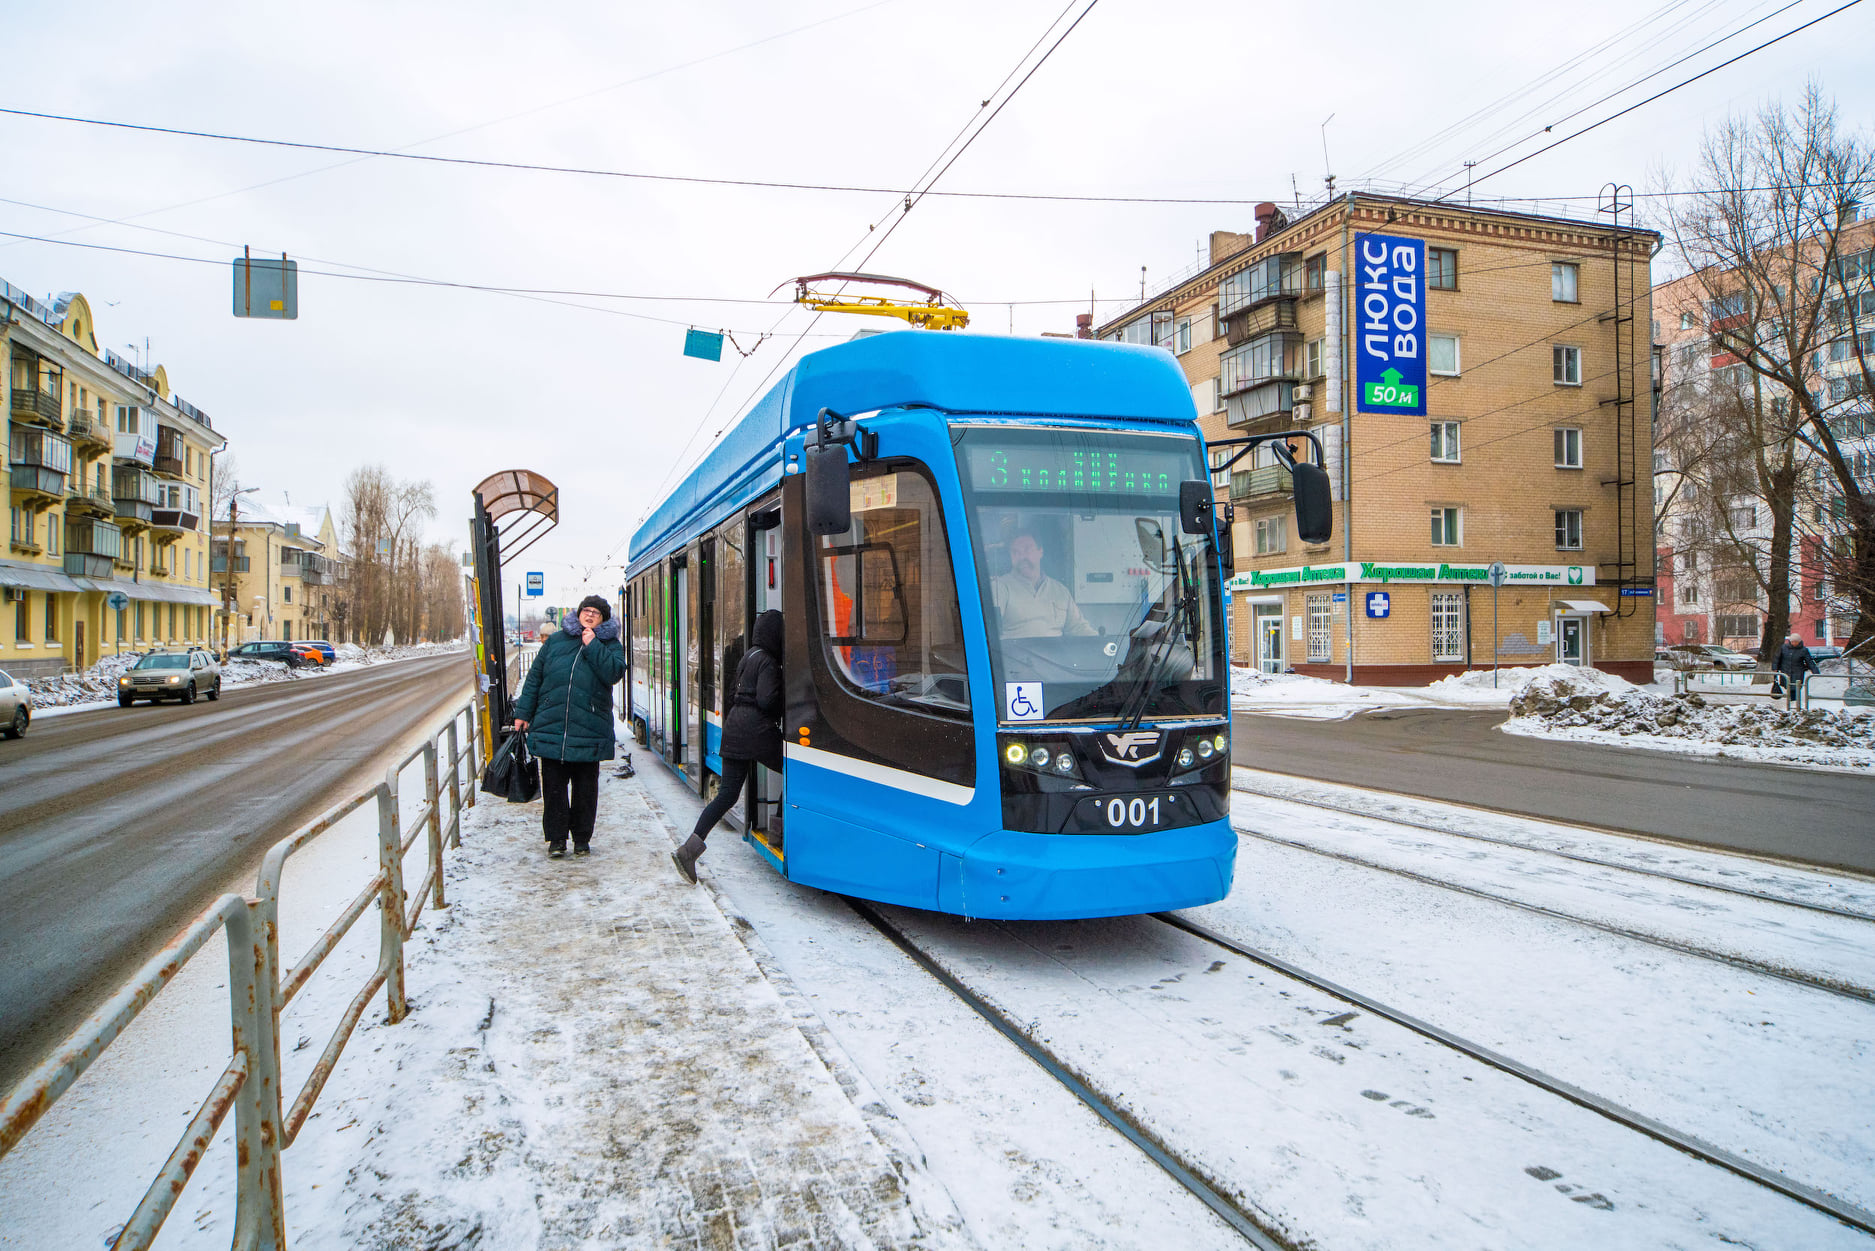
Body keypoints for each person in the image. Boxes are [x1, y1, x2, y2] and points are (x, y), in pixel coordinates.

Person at [512, 595, 626, 858]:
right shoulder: (556, 641)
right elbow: (535, 678)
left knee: (586, 789)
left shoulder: (610, 645)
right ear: (578, 613)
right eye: (586, 611)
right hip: (552, 726)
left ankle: (582, 839)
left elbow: (613, 673)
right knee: (554, 788)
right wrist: (523, 713)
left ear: (603, 619)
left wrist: (592, 645)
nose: (589, 615)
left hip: (590, 727)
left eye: (595, 613)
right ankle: (556, 840)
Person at [674, 609, 783, 883]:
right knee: (795, 772)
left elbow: (735, 692)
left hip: (734, 728)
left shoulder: (749, 656)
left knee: (727, 795)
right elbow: (768, 700)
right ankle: (780, 834)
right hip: (756, 731)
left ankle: (689, 849)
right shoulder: (769, 661)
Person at [992, 530, 1095, 638]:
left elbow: (1079, 628)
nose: (1022, 557)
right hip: (1012, 655)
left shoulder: (1060, 590)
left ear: (1040, 551)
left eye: (1027, 550)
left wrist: (1101, 645)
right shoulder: (999, 588)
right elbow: (991, 631)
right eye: (1015, 552)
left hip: (1056, 654)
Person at [1772, 632, 1820, 708]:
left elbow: (1809, 661)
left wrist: (1815, 671)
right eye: (1792, 641)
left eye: (1796, 642)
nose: (1794, 643)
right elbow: (1777, 658)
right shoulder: (1783, 648)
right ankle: (1791, 702)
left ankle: (1794, 703)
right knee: (1788, 686)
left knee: (1795, 687)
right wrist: (1775, 668)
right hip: (1786, 671)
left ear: (1799, 642)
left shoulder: (1803, 650)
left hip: (1798, 672)